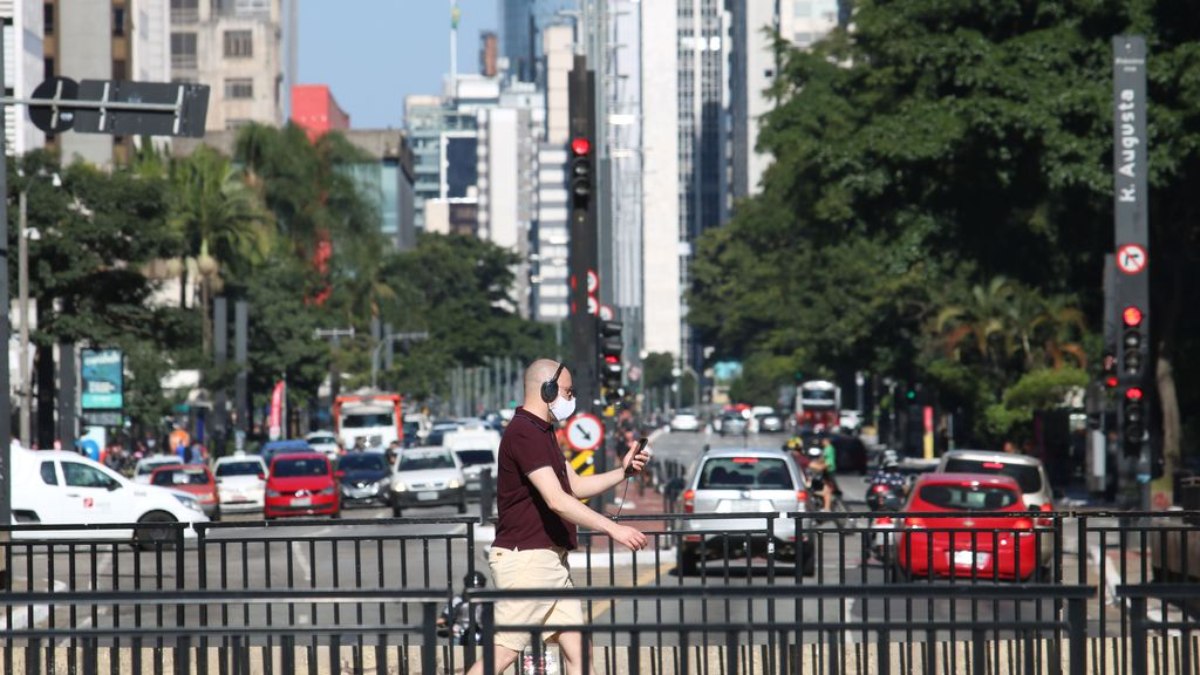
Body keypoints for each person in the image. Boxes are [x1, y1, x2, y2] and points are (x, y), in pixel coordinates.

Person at [465, 359, 651, 675]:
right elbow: (556, 499)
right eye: (567, 391)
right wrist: (612, 529)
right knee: (503, 654)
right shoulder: (524, 433)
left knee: (580, 653)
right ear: (547, 389)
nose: (571, 399)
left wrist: (623, 471)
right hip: (528, 561)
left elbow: (575, 486)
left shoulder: (543, 432)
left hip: (551, 562)